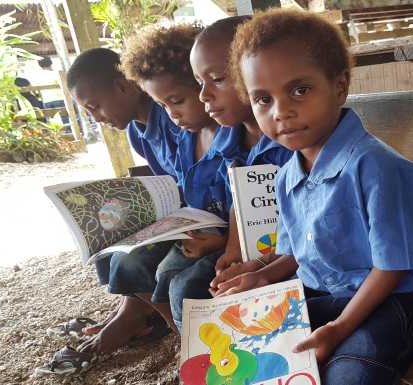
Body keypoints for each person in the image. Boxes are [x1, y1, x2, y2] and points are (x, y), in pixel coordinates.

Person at [214, 8, 413, 384]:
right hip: (325, 292)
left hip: (393, 300)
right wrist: (262, 276)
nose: (281, 112)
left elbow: (392, 266)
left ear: (339, 87)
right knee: (243, 348)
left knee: (349, 376)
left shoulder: (380, 170)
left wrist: (339, 328)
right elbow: (294, 251)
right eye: (263, 100)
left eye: (299, 90)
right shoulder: (288, 175)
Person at [117, 21, 250, 337]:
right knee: (129, 258)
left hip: (231, 239)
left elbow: (251, 208)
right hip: (199, 230)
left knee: (178, 280)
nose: (172, 115)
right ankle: (177, 331)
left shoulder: (236, 140)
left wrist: (221, 241)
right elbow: (181, 189)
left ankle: (198, 339)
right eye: (163, 106)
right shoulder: (186, 139)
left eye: (177, 101)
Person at [165, 16, 295, 333]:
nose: (204, 96)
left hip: (289, 255)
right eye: (200, 84)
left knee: (195, 287)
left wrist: (261, 264)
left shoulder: (292, 139)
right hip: (252, 252)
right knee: (183, 285)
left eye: (217, 80)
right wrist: (234, 249)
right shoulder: (228, 142)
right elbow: (241, 196)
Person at [65, 48, 184, 355]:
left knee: (129, 258)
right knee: (107, 237)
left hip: (199, 214)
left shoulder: (175, 117)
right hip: (178, 211)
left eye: (95, 107)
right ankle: (131, 311)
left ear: (123, 87)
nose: (96, 119)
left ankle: (169, 325)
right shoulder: (136, 131)